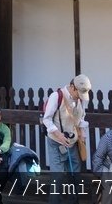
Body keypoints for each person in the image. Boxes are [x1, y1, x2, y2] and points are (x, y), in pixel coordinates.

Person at [42, 74, 92, 204]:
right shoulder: (56, 96)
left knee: (75, 177)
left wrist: (82, 134)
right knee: (57, 179)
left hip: (73, 143)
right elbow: (46, 119)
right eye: (79, 93)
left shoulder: (80, 99)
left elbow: (81, 119)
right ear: (72, 87)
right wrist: (59, 135)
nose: (80, 97)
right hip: (56, 142)